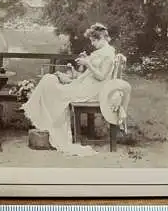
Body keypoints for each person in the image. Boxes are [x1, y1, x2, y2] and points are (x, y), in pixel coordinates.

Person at [21, 22, 125, 156]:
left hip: (93, 92)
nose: (92, 44)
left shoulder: (109, 54)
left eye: (94, 41)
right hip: (86, 87)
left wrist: (88, 63)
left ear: (101, 39)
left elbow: (101, 77)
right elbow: (87, 76)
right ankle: (45, 119)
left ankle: (43, 118)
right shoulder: (100, 52)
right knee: (49, 79)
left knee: (49, 81)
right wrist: (74, 72)